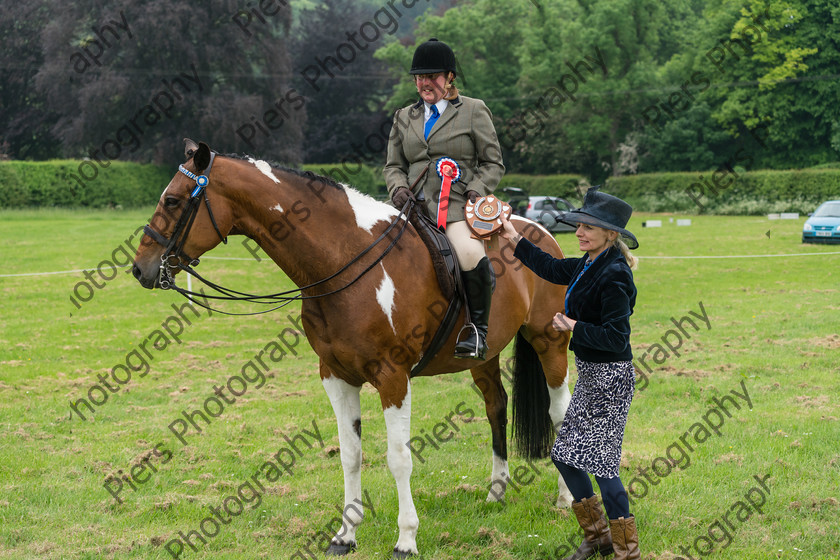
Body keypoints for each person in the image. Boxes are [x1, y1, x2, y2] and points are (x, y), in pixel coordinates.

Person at [499, 186, 641, 560]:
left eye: (588, 228)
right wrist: (513, 235)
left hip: (611, 379)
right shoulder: (587, 263)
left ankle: (627, 549)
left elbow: (616, 336)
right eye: (578, 225)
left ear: (610, 234)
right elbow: (549, 267)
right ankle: (597, 537)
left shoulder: (614, 274)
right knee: (564, 455)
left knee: (603, 464)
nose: (579, 232)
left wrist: (573, 326)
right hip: (593, 376)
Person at [384, 38, 505, 360]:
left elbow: (493, 163)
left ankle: (477, 332)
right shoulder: (403, 117)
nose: (425, 83)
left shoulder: (473, 110)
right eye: (420, 77)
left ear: (449, 77)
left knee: (468, 253)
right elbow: (394, 165)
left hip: (455, 207)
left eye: (432, 76)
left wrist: (475, 190)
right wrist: (397, 188)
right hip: (410, 207)